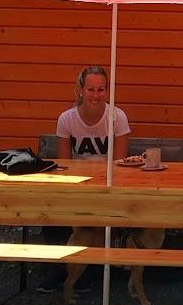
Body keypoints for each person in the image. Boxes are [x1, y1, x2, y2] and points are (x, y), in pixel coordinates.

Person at [36, 65, 131, 291]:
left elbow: (120, 164)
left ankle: (86, 271)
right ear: (80, 90)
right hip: (78, 183)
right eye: (91, 89)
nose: (96, 96)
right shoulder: (67, 119)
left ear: (107, 91)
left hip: (108, 184)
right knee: (52, 213)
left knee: (102, 213)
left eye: (100, 90)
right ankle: (60, 270)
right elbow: (64, 163)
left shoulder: (117, 117)